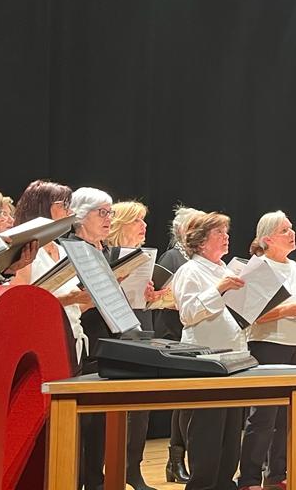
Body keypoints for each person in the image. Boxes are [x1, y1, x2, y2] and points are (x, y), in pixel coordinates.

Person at [237, 211, 296, 490]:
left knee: (286, 416)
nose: (292, 233)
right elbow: (252, 315)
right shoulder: (258, 267)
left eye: (292, 228)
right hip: (268, 343)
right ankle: (248, 478)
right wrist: (289, 310)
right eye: (285, 230)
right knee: (263, 416)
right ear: (268, 238)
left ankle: (277, 474)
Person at [171, 212, 247, 490]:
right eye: (219, 233)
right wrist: (220, 288)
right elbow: (188, 313)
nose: (226, 237)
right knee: (207, 428)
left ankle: (224, 483)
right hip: (205, 359)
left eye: (227, 232)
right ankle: (201, 485)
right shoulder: (189, 270)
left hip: (233, 356)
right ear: (201, 241)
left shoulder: (226, 268)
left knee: (229, 427)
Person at [107, 201, 165, 490]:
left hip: (141, 325)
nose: (144, 227)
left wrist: (150, 295)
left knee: (141, 406)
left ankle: (133, 469)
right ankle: (106, 470)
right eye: (137, 221)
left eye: (144, 221)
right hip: (114, 331)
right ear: (120, 224)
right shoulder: (105, 256)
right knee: (115, 408)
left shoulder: (143, 256)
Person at [9, 180, 91, 371]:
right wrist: (69, 299)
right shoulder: (25, 250)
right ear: (43, 207)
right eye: (64, 206)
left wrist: (92, 298)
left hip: (70, 337)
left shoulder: (62, 251)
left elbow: (74, 308)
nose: (70, 213)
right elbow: (19, 302)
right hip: (40, 341)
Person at [68, 187, 119, 490]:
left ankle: (96, 481)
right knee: (84, 422)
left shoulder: (103, 250)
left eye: (110, 212)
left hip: (106, 339)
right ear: (80, 215)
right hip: (82, 339)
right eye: (102, 212)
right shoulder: (70, 248)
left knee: (100, 420)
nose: (108, 218)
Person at [155, 205, 204, 484]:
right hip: (173, 333)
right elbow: (161, 297)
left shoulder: (201, 259)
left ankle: (183, 459)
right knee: (183, 401)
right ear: (183, 230)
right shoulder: (172, 257)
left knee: (190, 401)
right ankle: (175, 460)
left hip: (192, 331)